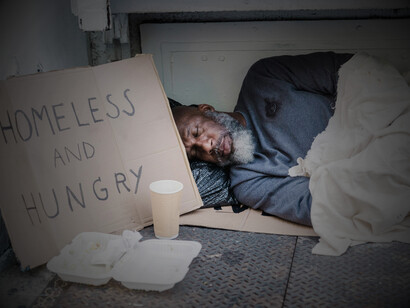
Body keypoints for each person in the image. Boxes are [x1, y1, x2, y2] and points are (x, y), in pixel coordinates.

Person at [172, 52, 353, 226]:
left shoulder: (263, 77)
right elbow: (323, 205)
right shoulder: (247, 182)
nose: (205, 146)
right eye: (194, 152)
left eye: (196, 132)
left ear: (207, 110)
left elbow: (349, 71)